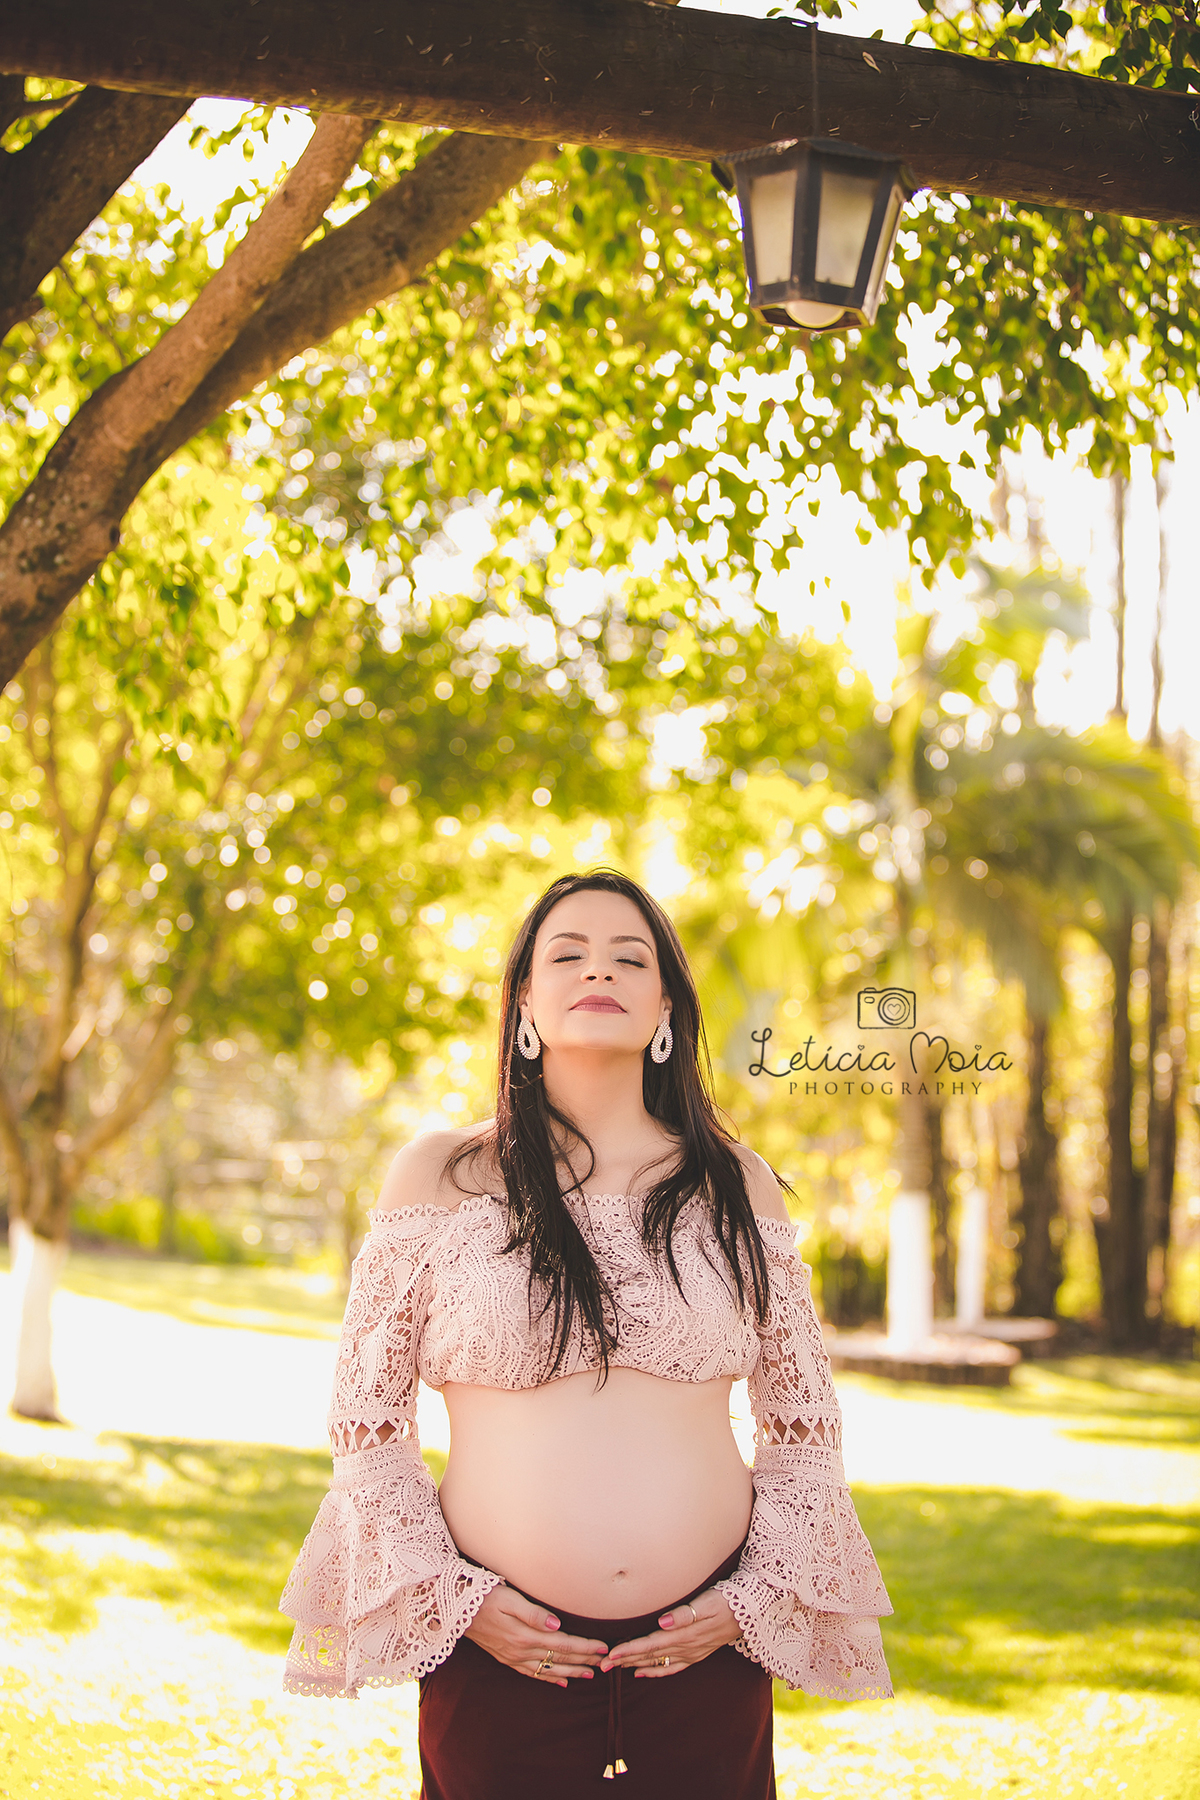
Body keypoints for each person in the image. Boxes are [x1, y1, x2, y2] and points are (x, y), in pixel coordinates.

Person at [280, 869, 892, 1798]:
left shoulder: (738, 1185)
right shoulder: (440, 1175)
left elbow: (803, 1429)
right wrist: (456, 1600)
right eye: (567, 954)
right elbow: (368, 1425)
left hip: (704, 1662)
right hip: (500, 1657)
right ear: (525, 1001)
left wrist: (752, 1602)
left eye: (629, 958)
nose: (597, 970)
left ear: (665, 1008)